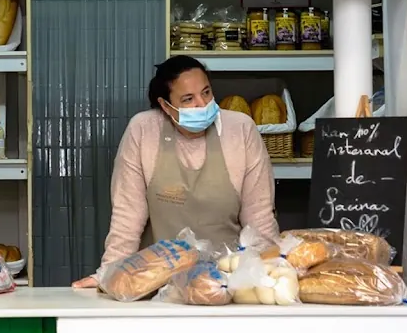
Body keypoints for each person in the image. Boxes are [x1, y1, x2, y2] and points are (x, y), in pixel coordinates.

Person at [72, 54, 279, 288]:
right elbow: (127, 217)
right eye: (188, 99)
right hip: (159, 283)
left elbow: (260, 217)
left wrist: (271, 273)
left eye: (206, 92)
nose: (202, 104)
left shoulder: (241, 130)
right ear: (165, 105)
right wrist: (108, 273)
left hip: (228, 282)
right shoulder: (143, 130)